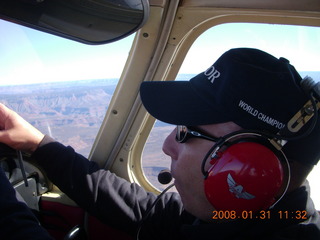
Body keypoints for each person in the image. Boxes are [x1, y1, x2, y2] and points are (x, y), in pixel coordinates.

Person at [0, 48, 319, 239]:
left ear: (248, 166)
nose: (167, 145)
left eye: (185, 131)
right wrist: (37, 142)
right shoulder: (235, 218)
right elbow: (142, 208)